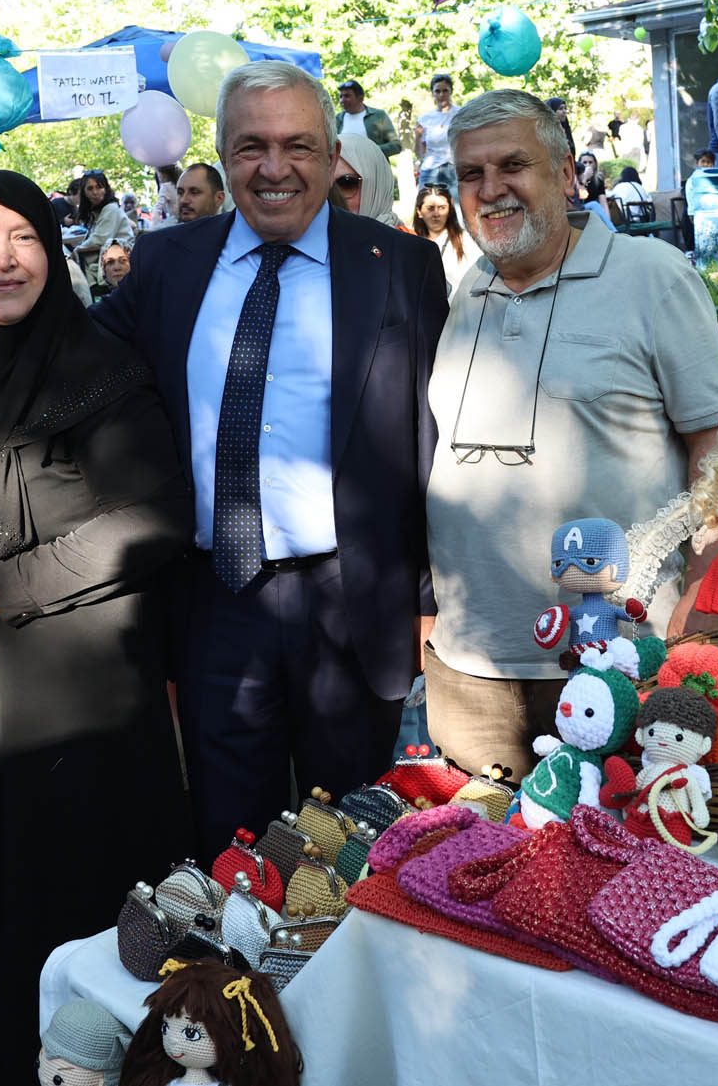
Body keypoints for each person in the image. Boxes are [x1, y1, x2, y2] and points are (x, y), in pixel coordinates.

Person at [92, 60, 447, 859]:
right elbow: (76, 368)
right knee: (233, 851)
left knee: (355, 850)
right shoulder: (166, 264)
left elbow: (430, 437)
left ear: (331, 155)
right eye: (251, 146)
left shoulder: (399, 266)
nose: (274, 167)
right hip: (215, 602)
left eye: (298, 146)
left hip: (353, 604)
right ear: (223, 157)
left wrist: (426, 596)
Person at [0, 170, 190, 1085]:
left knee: (69, 904)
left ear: (52, 251)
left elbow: (156, 518)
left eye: (21, 236)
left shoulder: (100, 368)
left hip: (76, 704)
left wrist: (3, 584)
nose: (2, 259)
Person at [423, 89, 718, 778]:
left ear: (565, 173)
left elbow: (716, 446)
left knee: (623, 841)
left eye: (513, 165)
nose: (490, 189)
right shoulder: (466, 290)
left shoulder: (651, 276)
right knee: (464, 843)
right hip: (470, 668)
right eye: (471, 173)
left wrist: (704, 603)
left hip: (617, 661)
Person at [413, 183, 474, 301]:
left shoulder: (467, 240)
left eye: (442, 207)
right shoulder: (411, 242)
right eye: (430, 208)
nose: (436, 214)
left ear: (449, 209)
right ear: (419, 211)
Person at [75, 170, 135, 286]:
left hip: (118, 262)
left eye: (99, 187)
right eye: (90, 189)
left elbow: (99, 239)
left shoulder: (110, 209)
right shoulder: (97, 211)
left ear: (106, 189)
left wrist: (75, 251)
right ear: (84, 193)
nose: (95, 192)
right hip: (102, 258)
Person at [333, 132, 402, 227]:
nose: (331, 196)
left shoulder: (404, 236)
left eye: (346, 184)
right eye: (322, 186)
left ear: (377, 189)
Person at [416, 72, 460, 198]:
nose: (441, 95)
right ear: (432, 93)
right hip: (431, 168)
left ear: (451, 91)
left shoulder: (461, 114)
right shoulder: (425, 118)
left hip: (454, 168)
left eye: (445, 90)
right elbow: (419, 146)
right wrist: (423, 159)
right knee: (425, 203)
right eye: (437, 91)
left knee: (459, 205)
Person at [336, 80, 401, 158]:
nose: (342, 100)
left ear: (360, 98)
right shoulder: (337, 119)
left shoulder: (378, 116)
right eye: (341, 96)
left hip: (374, 165)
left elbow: (396, 146)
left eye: (347, 96)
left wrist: (370, 151)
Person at [150, 164, 181, 229]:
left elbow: (158, 208)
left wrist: (153, 227)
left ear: (163, 174)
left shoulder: (166, 187)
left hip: (175, 222)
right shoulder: (180, 184)